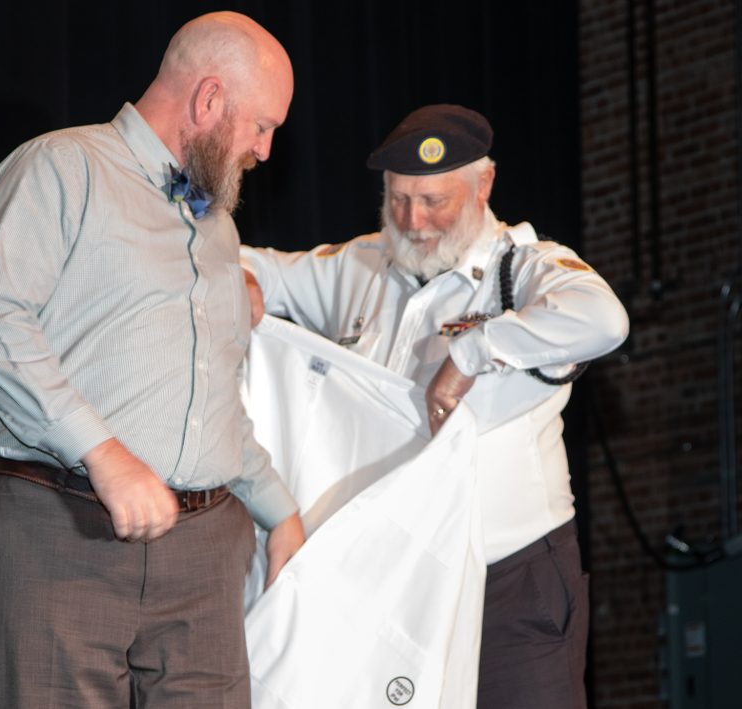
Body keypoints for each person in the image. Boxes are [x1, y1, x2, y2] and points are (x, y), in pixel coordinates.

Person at [0, 11, 304, 708]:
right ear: (208, 101)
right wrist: (104, 453)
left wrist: (278, 509)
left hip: (203, 553)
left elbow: (212, 396)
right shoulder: (59, 168)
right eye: (261, 125)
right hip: (60, 528)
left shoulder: (219, 225)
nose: (264, 150)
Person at [240, 104, 630, 709]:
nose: (414, 221)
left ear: (484, 186)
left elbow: (604, 319)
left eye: (433, 201)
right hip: (395, 577)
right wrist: (228, 275)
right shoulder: (362, 264)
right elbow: (254, 264)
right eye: (398, 199)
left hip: (509, 576)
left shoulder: (523, 270)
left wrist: (474, 351)